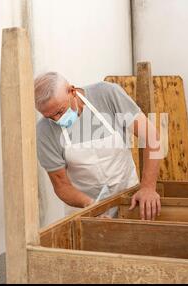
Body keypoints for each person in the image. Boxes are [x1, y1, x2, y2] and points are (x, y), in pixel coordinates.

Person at [34, 72, 162, 220]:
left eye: (60, 111)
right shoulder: (43, 132)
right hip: (85, 210)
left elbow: (151, 137)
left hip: (130, 201)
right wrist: (92, 206)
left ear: (72, 91)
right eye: (49, 116)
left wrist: (148, 187)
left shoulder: (107, 94)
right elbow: (62, 186)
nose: (57, 119)